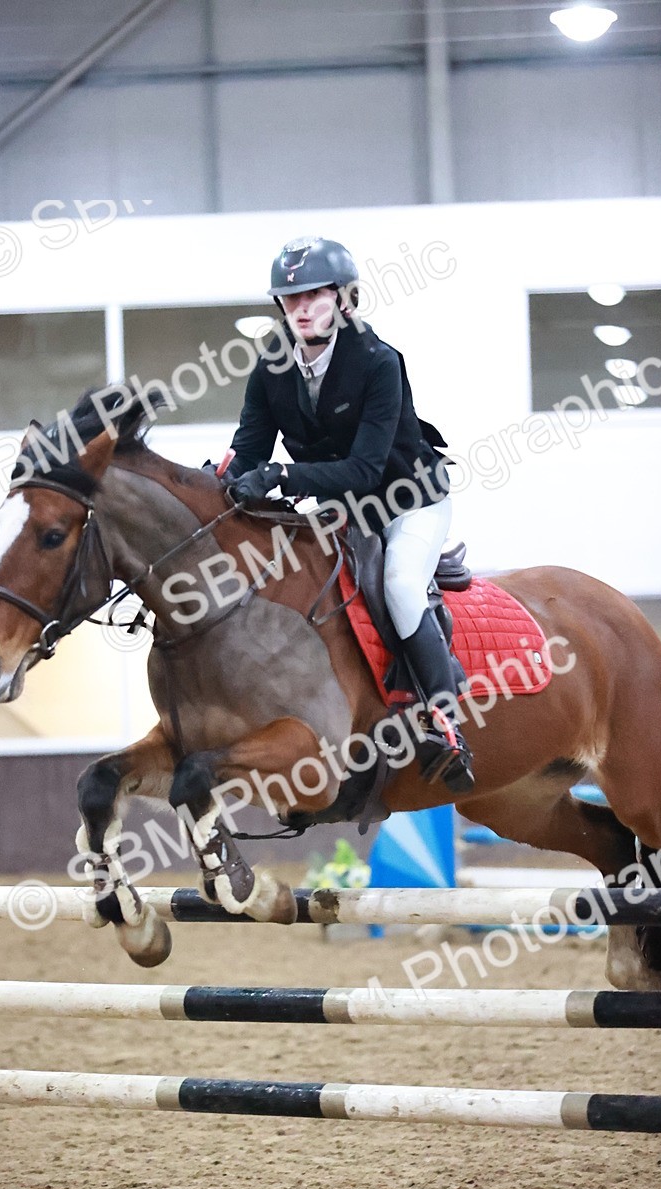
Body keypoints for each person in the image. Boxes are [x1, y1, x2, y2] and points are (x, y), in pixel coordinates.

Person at [227, 235, 474, 795]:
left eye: (314, 296)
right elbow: (250, 449)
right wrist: (221, 482)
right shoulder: (271, 364)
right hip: (341, 508)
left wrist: (283, 478)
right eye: (291, 300)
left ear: (343, 298)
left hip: (409, 501)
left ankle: (446, 720)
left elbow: (365, 470)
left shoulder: (379, 362)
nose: (302, 309)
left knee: (402, 585)